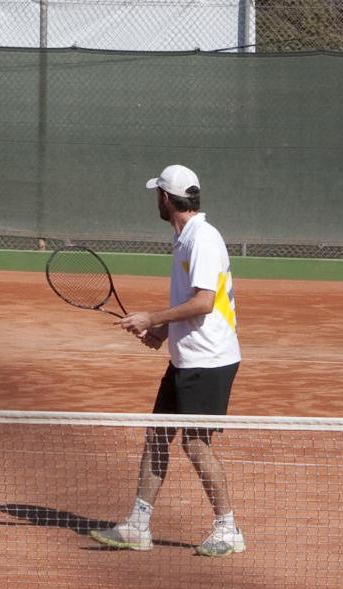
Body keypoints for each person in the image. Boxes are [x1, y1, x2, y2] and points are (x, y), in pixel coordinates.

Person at [89, 165, 245, 557]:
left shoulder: (203, 239)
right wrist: (162, 334)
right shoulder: (184, 238)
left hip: (209, 361)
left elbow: (205, 302)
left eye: (156, 193)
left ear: (165, 198)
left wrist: (152, 318)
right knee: (158, 435)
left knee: (195, 445)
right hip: (187, 356)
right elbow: (190, 306)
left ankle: (228, 529)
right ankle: (138, 526)